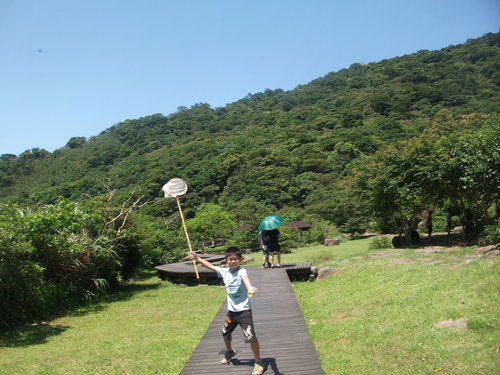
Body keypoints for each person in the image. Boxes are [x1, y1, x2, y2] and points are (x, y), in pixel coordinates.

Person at [187, 247, 264, 375]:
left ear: (240, 260)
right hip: (231, 312)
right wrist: (197, 258)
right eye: (230, 259)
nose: (232, 261)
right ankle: (230, 351)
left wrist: (250, 288)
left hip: (244, 311)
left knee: (251, 337)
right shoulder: (225, 272)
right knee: (225, 333)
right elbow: (211, 267)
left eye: (235, 259)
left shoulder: (241, 271)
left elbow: (246, 280)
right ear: (226, 260)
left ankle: (258, 362)